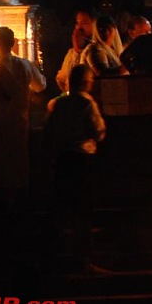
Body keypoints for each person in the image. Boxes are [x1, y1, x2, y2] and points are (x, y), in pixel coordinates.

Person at [0, 26, 46, 210]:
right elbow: (41, 86)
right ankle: (19, 202)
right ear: (13, 43)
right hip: (19, 123)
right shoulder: (26, 65)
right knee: (18, 164)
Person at [44, 64, 106, 273]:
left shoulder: (59, 104)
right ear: (86, 82)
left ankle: (55, 255)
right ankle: (82, 259)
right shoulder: (87, 103)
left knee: (61, 209)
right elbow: (98, 131)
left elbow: (49, 130)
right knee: (83, 210)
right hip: (82, 159)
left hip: (62, 159)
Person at [55, 10, 95, 93]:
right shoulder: (71, 53)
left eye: (84, 23)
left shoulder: (95, 51)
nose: (80, 27)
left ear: (94, 23)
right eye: (78, 23)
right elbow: (64, 80)